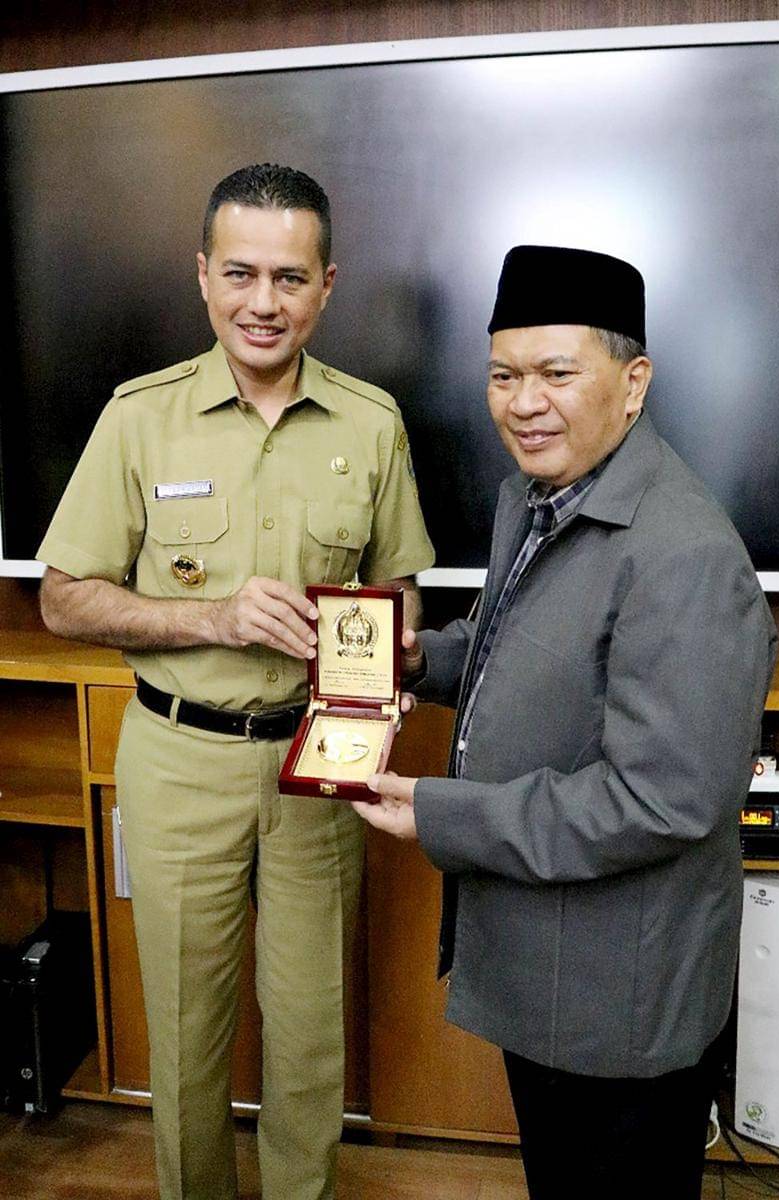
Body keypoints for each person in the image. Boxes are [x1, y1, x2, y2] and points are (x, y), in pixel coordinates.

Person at [37, 162, 434, 1200]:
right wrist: (209, 617)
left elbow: (398, 589)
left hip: (317, 764)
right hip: (179, 761)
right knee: (184, 1033)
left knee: (309, 1036)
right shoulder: (140, 417)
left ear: (326, 286)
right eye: (242, 274)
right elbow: (64, 599)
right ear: (203, 276)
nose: (264, 302)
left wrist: (382, 654)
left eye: (290, 278)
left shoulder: (371, 422)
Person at [353, 245, 777, 1199]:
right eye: (503, 375)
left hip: (619, 1007)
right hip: (552, 981)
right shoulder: (538, 495)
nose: (524, 403)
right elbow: (525, 645)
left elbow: (660, 801)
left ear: (634, 383)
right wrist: (420, 662)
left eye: (555, 373)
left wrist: (444, 813)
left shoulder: (685, 557)